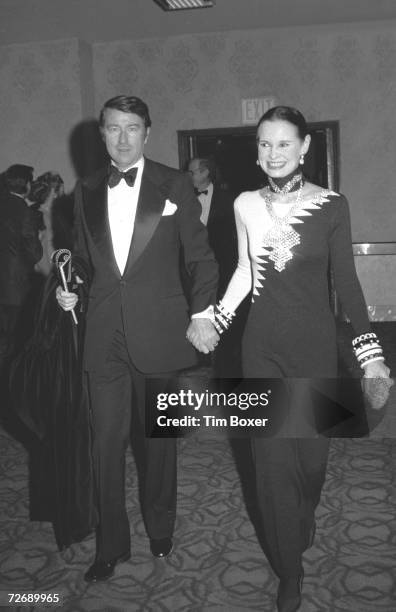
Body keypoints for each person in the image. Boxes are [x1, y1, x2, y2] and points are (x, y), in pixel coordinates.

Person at [212, 106, 391, 611]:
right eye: (265, 144)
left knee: (310, 462)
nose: (273, 154)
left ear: (305, 147)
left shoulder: (333, 205)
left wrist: (370, 354)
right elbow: (245, 272)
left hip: (314, 348)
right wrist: (217, 319)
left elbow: (347, 284)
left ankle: (302, 514)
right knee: (270, 464)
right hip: (261, 349)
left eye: (284, 144)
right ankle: (290, 570)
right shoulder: (245, 203)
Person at [56, 95, 219, 582]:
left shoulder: (174, 183)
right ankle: (111, 546)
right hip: (103, 337)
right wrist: (72, 291)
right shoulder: (83, 191)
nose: (123, 138)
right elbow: (85, 263)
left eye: (132, 128)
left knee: (157, 446)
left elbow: (201, 259)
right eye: (113, 128)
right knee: (103, 447)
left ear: (147, 132)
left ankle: (160, 527)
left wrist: (203, 313)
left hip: (160, 334)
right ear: (101, 134)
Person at [0, 164, 43, 379]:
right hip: (14, 288)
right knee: (12, 340)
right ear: (26, 184)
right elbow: (34, 253)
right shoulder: (24, 211)